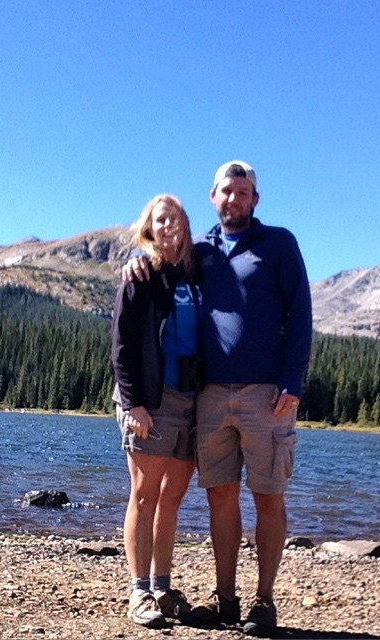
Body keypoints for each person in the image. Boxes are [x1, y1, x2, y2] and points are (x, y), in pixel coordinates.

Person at [123, 161, 313, 636]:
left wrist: (292, 380)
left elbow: (301, 312)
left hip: (266, 394)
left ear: (255, 199)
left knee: (268, 496)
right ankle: (226, 600)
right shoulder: (200, 249)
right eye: (227, 191)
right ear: (213, 196)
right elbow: (156, 269)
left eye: (244, 191)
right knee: (220, 497)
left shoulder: (279, 244)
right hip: (207, 396)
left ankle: (264, 602)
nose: (235, 199)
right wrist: (135, 258)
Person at [111, 194, 202, 629]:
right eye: (160, 219)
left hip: (192, 401)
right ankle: (138, 591)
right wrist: (134, 405)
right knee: (145, 495)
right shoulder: (141, 274)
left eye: (176, 218)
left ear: (186, 224)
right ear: (149, 228)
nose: (169, 225)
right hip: (151, 398)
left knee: (173, 497)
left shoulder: (195, 272)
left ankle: (163, 587)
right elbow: (122, 345)